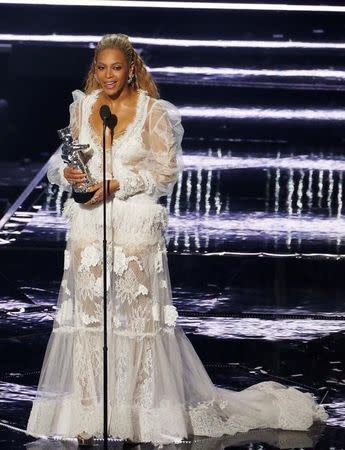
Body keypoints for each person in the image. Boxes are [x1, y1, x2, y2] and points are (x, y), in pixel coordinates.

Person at [26, 33, 328, 446]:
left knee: (138, 324)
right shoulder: (83, 106)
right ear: (94, 69)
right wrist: (71, 175)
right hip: (88, 227)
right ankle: (88, 412)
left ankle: (137, 416)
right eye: (102, 68)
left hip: (134, 228)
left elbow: (165, 175)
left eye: (117, 67)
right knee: (88, 322)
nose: (109, 75)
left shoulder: (153, 112)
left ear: (131, 68)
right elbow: (63, 165)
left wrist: (119, 182)